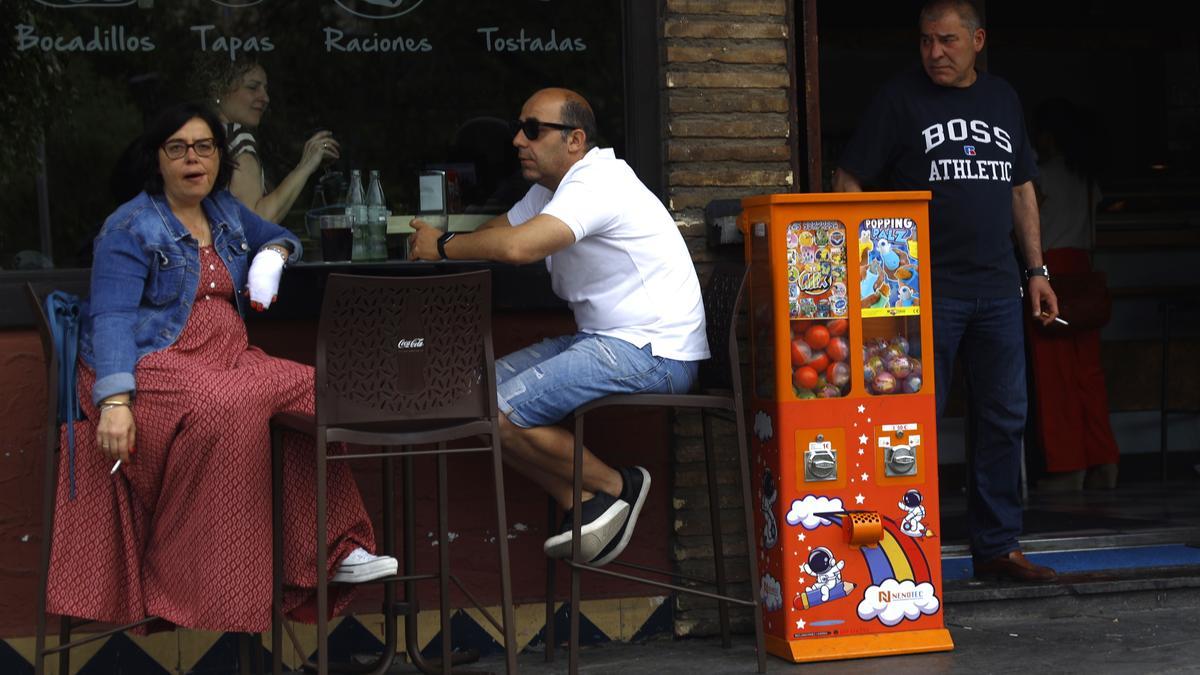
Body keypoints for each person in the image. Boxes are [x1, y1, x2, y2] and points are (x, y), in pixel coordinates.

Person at [45, 102, 395, 633]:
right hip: (153, 363)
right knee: (232, 404)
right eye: (178, 148)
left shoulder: (225, 211)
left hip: (228, 359)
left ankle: (332, 550)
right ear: (157, 159)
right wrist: (114, 401)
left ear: (219, 157)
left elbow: (282, 235)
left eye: (204, 147)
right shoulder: (131, 225)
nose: (193, 159)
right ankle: (197, 582)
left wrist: (271, 257)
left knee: (315, 392)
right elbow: (112, 318)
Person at [408, 88, 709, 567]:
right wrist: (448, 240)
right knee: (472, 398)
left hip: (654, 352)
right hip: (607, 341)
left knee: (499, 408)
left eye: (533, 129)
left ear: (575, 139)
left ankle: (617, 486)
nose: (517, 140)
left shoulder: (597, 183)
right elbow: (498, 234)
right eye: (518, 128)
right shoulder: (552, 191)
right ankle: (585, 503)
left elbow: (517, 249)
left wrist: (441, 247)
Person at [832, 0, 1060, 582]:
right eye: (926, 41)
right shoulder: (898, 99)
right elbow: (849, 179)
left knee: (1004, 417)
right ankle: (911, 556)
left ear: (978, 39)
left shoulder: (1003, 99)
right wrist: (869, 274)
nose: (935, 52)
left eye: (949, 41)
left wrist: (1037, 271)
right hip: (919, 295)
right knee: (912, 422)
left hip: (998, 288)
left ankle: (997, 547)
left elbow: (1021, 189)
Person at [1028, 98, 1120, 491]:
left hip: (1051, 275)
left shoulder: (1041, 177)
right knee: (1089, 375)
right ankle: (1105, 460)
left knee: (1056, 378)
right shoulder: (1087, 179)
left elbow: (1025, 224)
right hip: (1084, 275)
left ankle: (1069, 468)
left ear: (1047, 137)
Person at [194, 55, 339, 222]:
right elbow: (254, 224)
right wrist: (305, 166)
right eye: (253, 87)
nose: (265, 98)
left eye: (265, 89)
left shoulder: (201, 136)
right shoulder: (238, 140)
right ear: (218, 91)